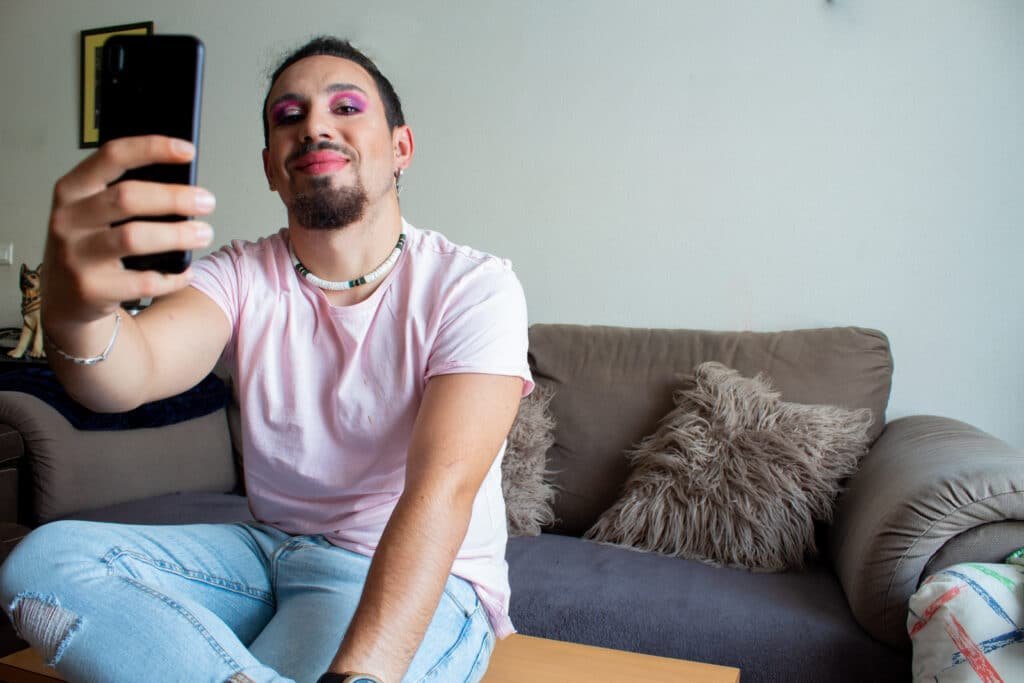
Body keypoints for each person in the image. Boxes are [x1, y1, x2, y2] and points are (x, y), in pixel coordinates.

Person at [0, 36, 533, 683]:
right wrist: (76, 311)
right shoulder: (239, 274)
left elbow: (441, 490)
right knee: (43, 563)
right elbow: (125, 377)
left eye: (345, 107)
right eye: (289, 115)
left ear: (400, 149)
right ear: (270, 166)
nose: (314, 125)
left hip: (407, 573)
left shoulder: (473, 285)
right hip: (265, 555)